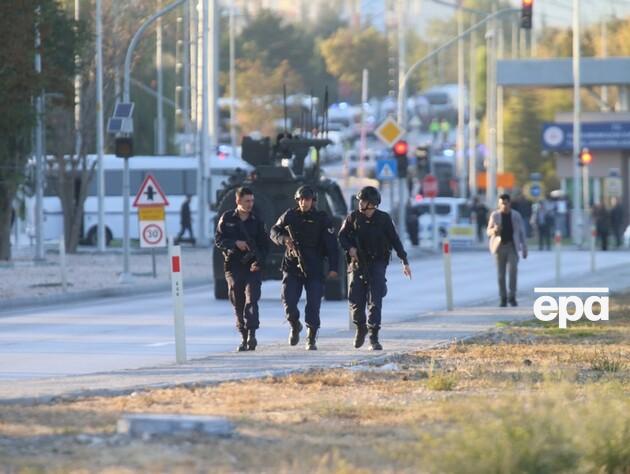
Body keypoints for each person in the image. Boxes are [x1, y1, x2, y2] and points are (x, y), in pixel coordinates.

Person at [339, 186, 412, 350]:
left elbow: (395, 240)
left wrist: (404, 261)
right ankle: (361, 327)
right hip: (358, 263)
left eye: (363, 201)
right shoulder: (353, 218)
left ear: (372, 204)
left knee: (375, 300)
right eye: (360, 201)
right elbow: (341, 236)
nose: (360, 204)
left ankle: (374, 336)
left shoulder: (384, 219)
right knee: (355, 299)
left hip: (378, 262)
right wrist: (350, 248)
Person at [270, 185, 339, 351]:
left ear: (313, 201)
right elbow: (274, 231)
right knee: (289, 300)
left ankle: (311, 336)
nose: (303, 202)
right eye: (301, 199)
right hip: (292, 265)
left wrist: (333, 267)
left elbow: (331, 245)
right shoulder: (290, 215)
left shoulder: (322, 218)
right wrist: (284, 239)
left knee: (313, 304)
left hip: (314, 266)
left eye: (307, 199)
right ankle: (295, 325)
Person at [215, 187, 269, 352]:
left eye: (252, 200)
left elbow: (265, 246)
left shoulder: (257, 220)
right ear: (238, 201)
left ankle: (252, 334)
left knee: (251, 299)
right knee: (237, 301)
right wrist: (235, 244)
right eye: (247, 200)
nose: (250, 204)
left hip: (252, 266)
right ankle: (243, 336)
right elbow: (218, 239)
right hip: (233, 266)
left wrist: (259, 262)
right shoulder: (227, 218)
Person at [487, 193, 528, 307]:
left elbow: (522, 232)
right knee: (501, 274)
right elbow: (488, 231)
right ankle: (503, 297)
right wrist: (495, 230)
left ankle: (512, 296)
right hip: (499, 247)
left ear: (509, 203)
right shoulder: (495, 215)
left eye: (505, 203)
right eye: (501, 204)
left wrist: (524, 247)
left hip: (512, 246)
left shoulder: (516, 216)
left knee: (513, 271)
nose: (503, 206)